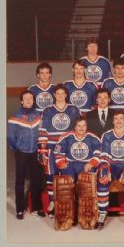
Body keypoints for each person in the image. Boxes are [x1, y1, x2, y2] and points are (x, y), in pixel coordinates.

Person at [38, 84, 81, 217]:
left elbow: (79, 128)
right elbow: (42, 130)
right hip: (51, 147)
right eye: (58, 93)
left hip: (68, 147)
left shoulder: (74, 109)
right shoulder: (48, 110)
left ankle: (68, 203)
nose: (60, 96)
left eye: (63, 93)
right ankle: (52, 202)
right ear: (54, 95)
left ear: (66, 95)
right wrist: (43, 149)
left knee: (67, 175)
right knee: (51, 175)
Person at [97, 111, 124, 229]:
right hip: (111, 164)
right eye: (116, 118)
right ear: (113, 121)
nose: (119, 121)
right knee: (102, 181)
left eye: (121, 118)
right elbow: (104, 154)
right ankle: (102, 213)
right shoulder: (107, 135)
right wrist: (105, 169)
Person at [7, 90, 45, 219]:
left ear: (33, 100)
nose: (28, 100)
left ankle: (36, 207)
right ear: (21, 101)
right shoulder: (14, 117)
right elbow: (11, 138)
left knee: (36, 181)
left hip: (35, 152)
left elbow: (42, 134)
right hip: (21, 153)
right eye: (26, 98)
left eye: (30, 98)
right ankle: (19, 209)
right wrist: (17, 149)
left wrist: (40, 149)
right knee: (20, 182)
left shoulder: (38, 116)